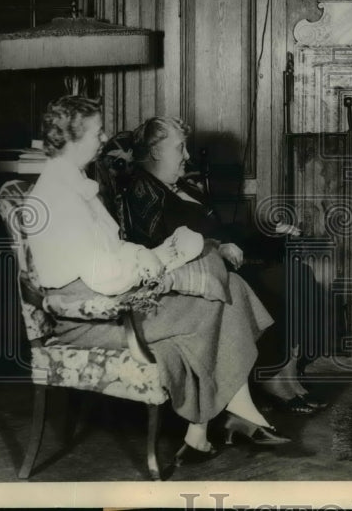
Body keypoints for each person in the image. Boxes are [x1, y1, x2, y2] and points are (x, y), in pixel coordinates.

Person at [26, 96, 292, 469]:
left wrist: (157, 256)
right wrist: (158, 262)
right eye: (97, 131)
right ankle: (216, 423)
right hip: (88, 320)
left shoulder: (73, 186)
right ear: (72, 137)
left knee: (224, 286)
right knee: (223, 293)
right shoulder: (59, 197)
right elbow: (105, 276)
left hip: (107, 301)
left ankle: (209, 430)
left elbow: (111, 251)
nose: (104, 138)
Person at [122, 116, 328, 415]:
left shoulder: (183, 187)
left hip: (223, 263)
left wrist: (269, 235)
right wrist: (215, 248)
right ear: (155, 152)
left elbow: (223, 231)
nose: (188, 157)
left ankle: (287, 373)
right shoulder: (143, 192)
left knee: (298, 274)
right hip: (200, 274)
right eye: (180, 149)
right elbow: (160, 249)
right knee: (283, 280)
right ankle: (272, 378)